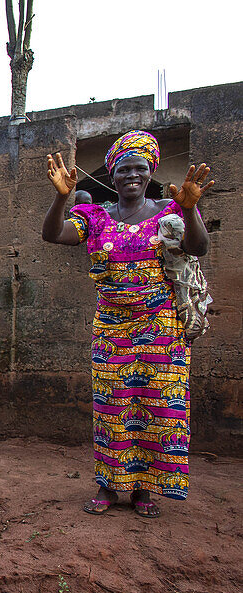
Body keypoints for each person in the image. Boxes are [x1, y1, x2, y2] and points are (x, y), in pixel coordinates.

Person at [43, 131, 213, 518]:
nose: (132, 175)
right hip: (112, 330)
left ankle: (143, 491)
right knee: (112, 408)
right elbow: (53, 235)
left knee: (158, 408)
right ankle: (108, 485)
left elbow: (198, 247)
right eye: (124, 169)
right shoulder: (95, 218)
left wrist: (189, 210)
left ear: (150, 171)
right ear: (112, 173)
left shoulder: (171, 211)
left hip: (162, 330)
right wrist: (61, 197)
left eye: (140, 168)